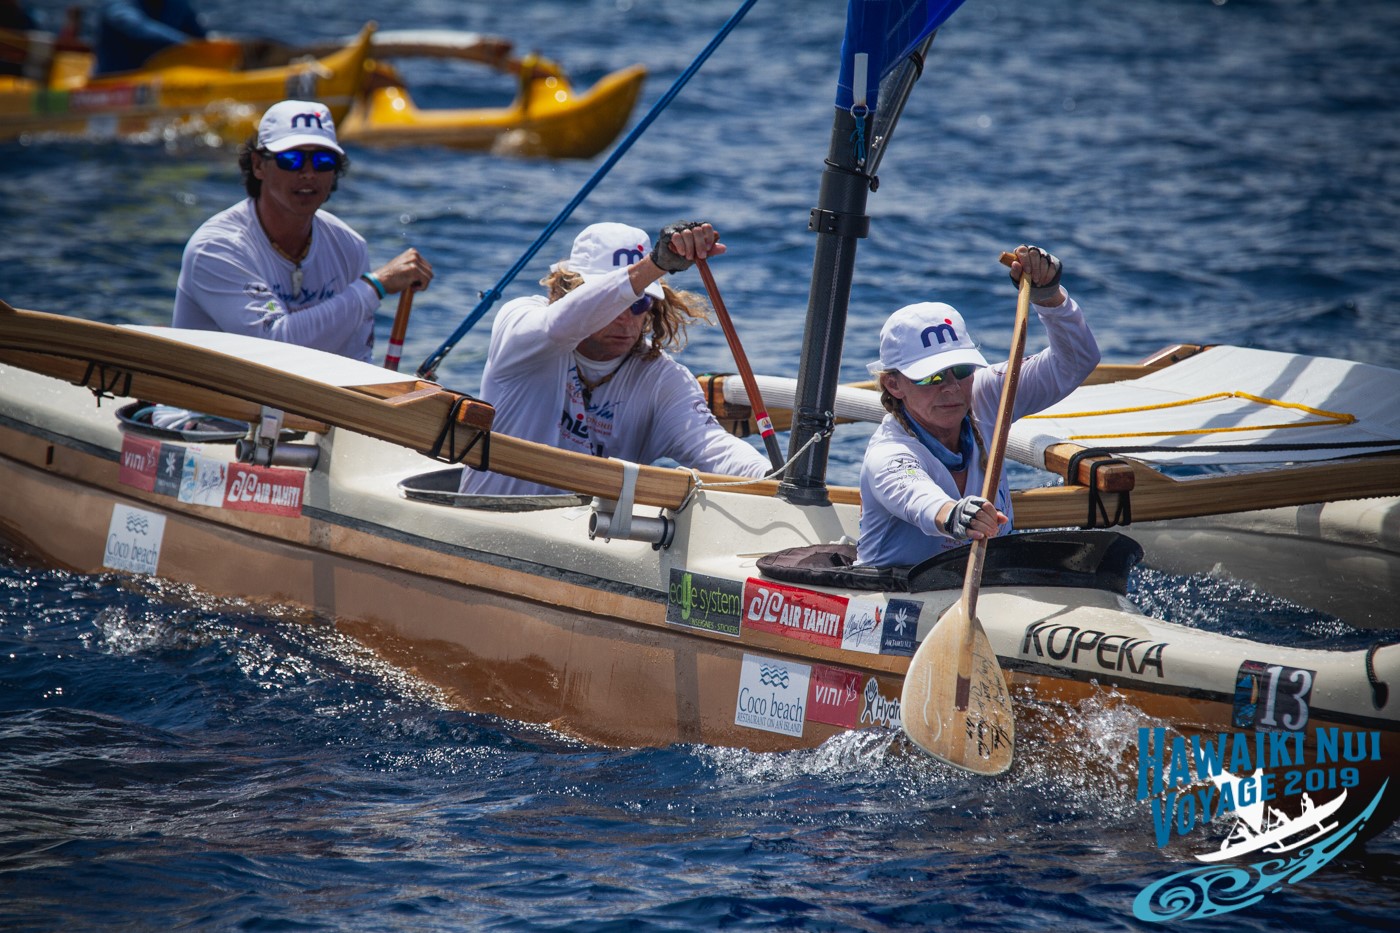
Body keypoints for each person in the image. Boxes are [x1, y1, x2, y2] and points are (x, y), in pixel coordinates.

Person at [458, 221, 772, 497]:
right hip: (484, 524)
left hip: (584, 546)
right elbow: (559, 325)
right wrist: (653, 267)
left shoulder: (661, 379)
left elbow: (711, 447)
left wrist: (771, 479)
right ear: (572, 291)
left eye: (639, 303)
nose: (625, 318)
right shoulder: (521, 327)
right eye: (613, 303)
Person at [855, 245, 1100, 567]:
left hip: (992, 580)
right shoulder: (890, 455)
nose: (952, 388)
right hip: (896, 592)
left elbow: (1076, 362)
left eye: (960, 370)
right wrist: (955, 515)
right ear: (893, 384)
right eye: (932, 378)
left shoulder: (986, 395)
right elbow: (918, 498)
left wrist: (1051, 300)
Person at [173, 98, 432, 362]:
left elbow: (355, 362)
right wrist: (375, 286)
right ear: (258, 165)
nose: (308, 172)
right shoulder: (217, 248)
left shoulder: (349, 246)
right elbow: (273, 346)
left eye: (322, 160)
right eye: (291, 159)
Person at [94, 0, 206, 74]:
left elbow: (201, 40)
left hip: (162, 80)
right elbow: (136, 27)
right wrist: (185, 43)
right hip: (111, 82)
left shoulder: (176, 4)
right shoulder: (117, 4)